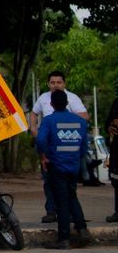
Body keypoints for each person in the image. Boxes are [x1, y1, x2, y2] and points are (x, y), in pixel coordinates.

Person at [28, 72, 88, 222]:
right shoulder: (43, 98)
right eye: (52, 82)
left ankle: (69, 216)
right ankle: (52, 212)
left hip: (66, 145)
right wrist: (34, 129)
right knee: (49, 182)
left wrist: (63, 122)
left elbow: (85, 117)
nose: (55, 85)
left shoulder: (72, 98)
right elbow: (34, 114)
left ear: (64, 84)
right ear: (48, 84)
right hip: (49, 145)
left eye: (59, 82)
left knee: (69, 186)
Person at [35, 89, 91, 249]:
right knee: (72, 195)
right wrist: (76, 159)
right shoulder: (80, 122)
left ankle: (64, 238)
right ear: (67, 103)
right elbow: (84, 146)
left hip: (56, 165)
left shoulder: (49, 120)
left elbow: (40, 140)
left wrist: (44, 156)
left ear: (51, 104)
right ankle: (82, 229)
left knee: (61, 201)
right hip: (73, 165)